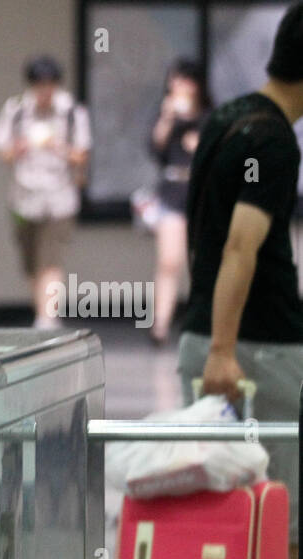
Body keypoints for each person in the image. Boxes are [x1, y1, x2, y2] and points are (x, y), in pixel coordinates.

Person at [178, 0, 303, 559]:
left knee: (218, 526)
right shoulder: (274, 142)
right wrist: (226, 351)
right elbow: (239, 246)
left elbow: (200, 234)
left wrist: (209, 341)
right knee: (293, 524)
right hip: (259, 350)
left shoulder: (226, 118)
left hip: (203, 335)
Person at [0, 55, 92, 328]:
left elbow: (82, 155)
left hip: (59, 197)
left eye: (49, 84)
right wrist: (19, 148)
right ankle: (43, 313)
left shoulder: (72, 112)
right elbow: (3, 150)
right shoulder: (16, 110)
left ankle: (47, 318)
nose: (45, 91)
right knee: (31, 261)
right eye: (39, 84)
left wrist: (58, 147)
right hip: (24, 197)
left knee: (51, 259)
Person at [148, 60, 211, 345]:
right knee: (169, 260)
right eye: (175, 80)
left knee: (203, 262)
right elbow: (154, 148)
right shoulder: (167, 116)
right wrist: (167, 117)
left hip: (202, 194)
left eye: (186, 80)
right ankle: (160, 323)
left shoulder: (210, 116)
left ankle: (203, 323)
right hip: (172, 192)